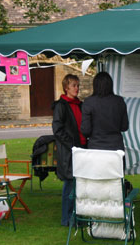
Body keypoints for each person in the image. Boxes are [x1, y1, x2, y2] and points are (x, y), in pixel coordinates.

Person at [51, 74, 86, 227]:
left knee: (80, 185)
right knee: (70, 184)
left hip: (83, 149)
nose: (77, 88)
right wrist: (72, 145)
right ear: (66, 88)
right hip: (69, 151)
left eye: (78, 85)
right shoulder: (61, 105)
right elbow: (57, 129)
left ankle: (77, 217)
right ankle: (66, 219)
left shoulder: (80, 104)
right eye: (74, 85)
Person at [81, 72, 129, 151]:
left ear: (95, 85)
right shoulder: (119, 101)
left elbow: (85, 130)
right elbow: (124, 127)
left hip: (95, 147)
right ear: (110, 85)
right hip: (116, 148)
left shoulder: (88, 102)